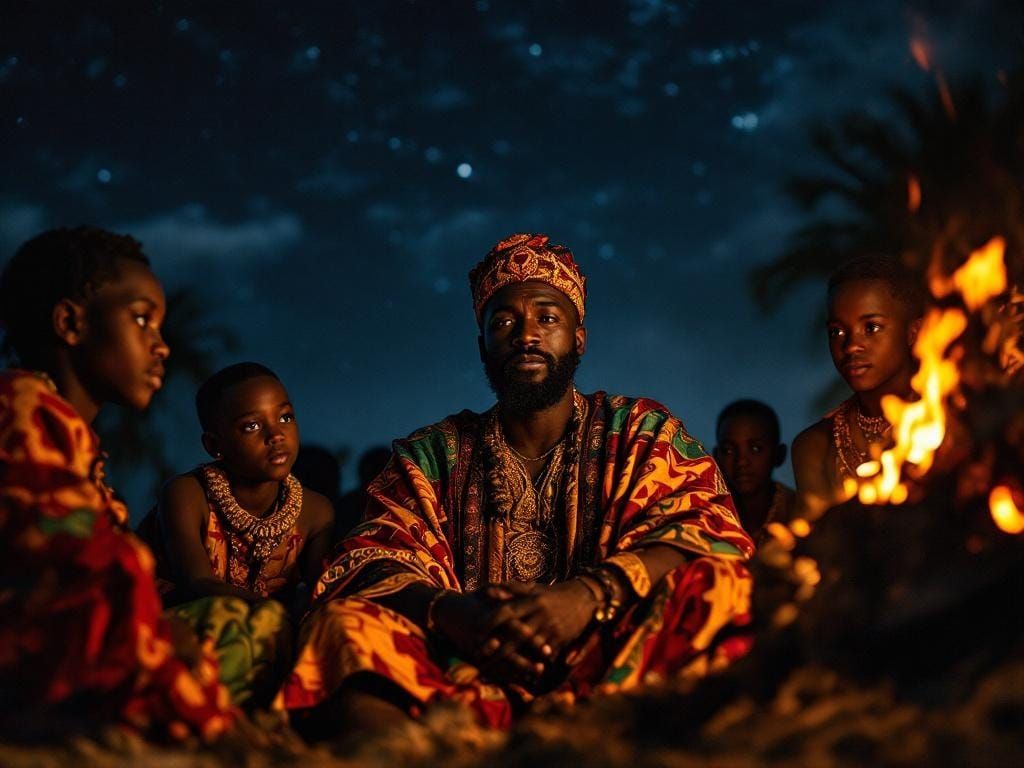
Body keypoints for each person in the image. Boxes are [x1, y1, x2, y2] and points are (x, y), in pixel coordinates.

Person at [278, 233, 754, 733]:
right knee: (343, 626)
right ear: (482, 343)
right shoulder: (432, 454)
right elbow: (366, 560)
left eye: (547, 318)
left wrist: (589, 596)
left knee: (720, 586)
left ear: (579, 338)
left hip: (613, 659)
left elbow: (711, 532)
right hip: (462, 672)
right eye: (504, 322)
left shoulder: (639, 431)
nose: (526, 335)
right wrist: (454, 614)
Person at [0, 226, 232, 740]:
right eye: (142, 319)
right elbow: (54, 548)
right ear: (71, 322)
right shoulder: (20, 407)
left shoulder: (73, 439)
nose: (163, 347)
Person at [153, 362, 334, 707]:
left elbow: (318, 594)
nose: (276, 435)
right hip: (189, 630)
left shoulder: (317, 512)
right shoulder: (186, 494)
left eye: (285, 417)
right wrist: (270, 612)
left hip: (274, 635)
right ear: (214, 445)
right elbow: (196, 585)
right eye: (251, 426)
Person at [791, 255, 925, 520]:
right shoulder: (815, 448)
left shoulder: (947, 424)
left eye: (871, 327)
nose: (851, 346)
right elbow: (816, 552)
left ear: (914, 332)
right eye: (837, 332)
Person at [713, 399, 794, 542]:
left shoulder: (798, 514)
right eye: (729, 450)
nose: (741, 462)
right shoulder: (707, 516)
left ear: (779, 454)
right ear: (716, 457)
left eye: (756, 449)